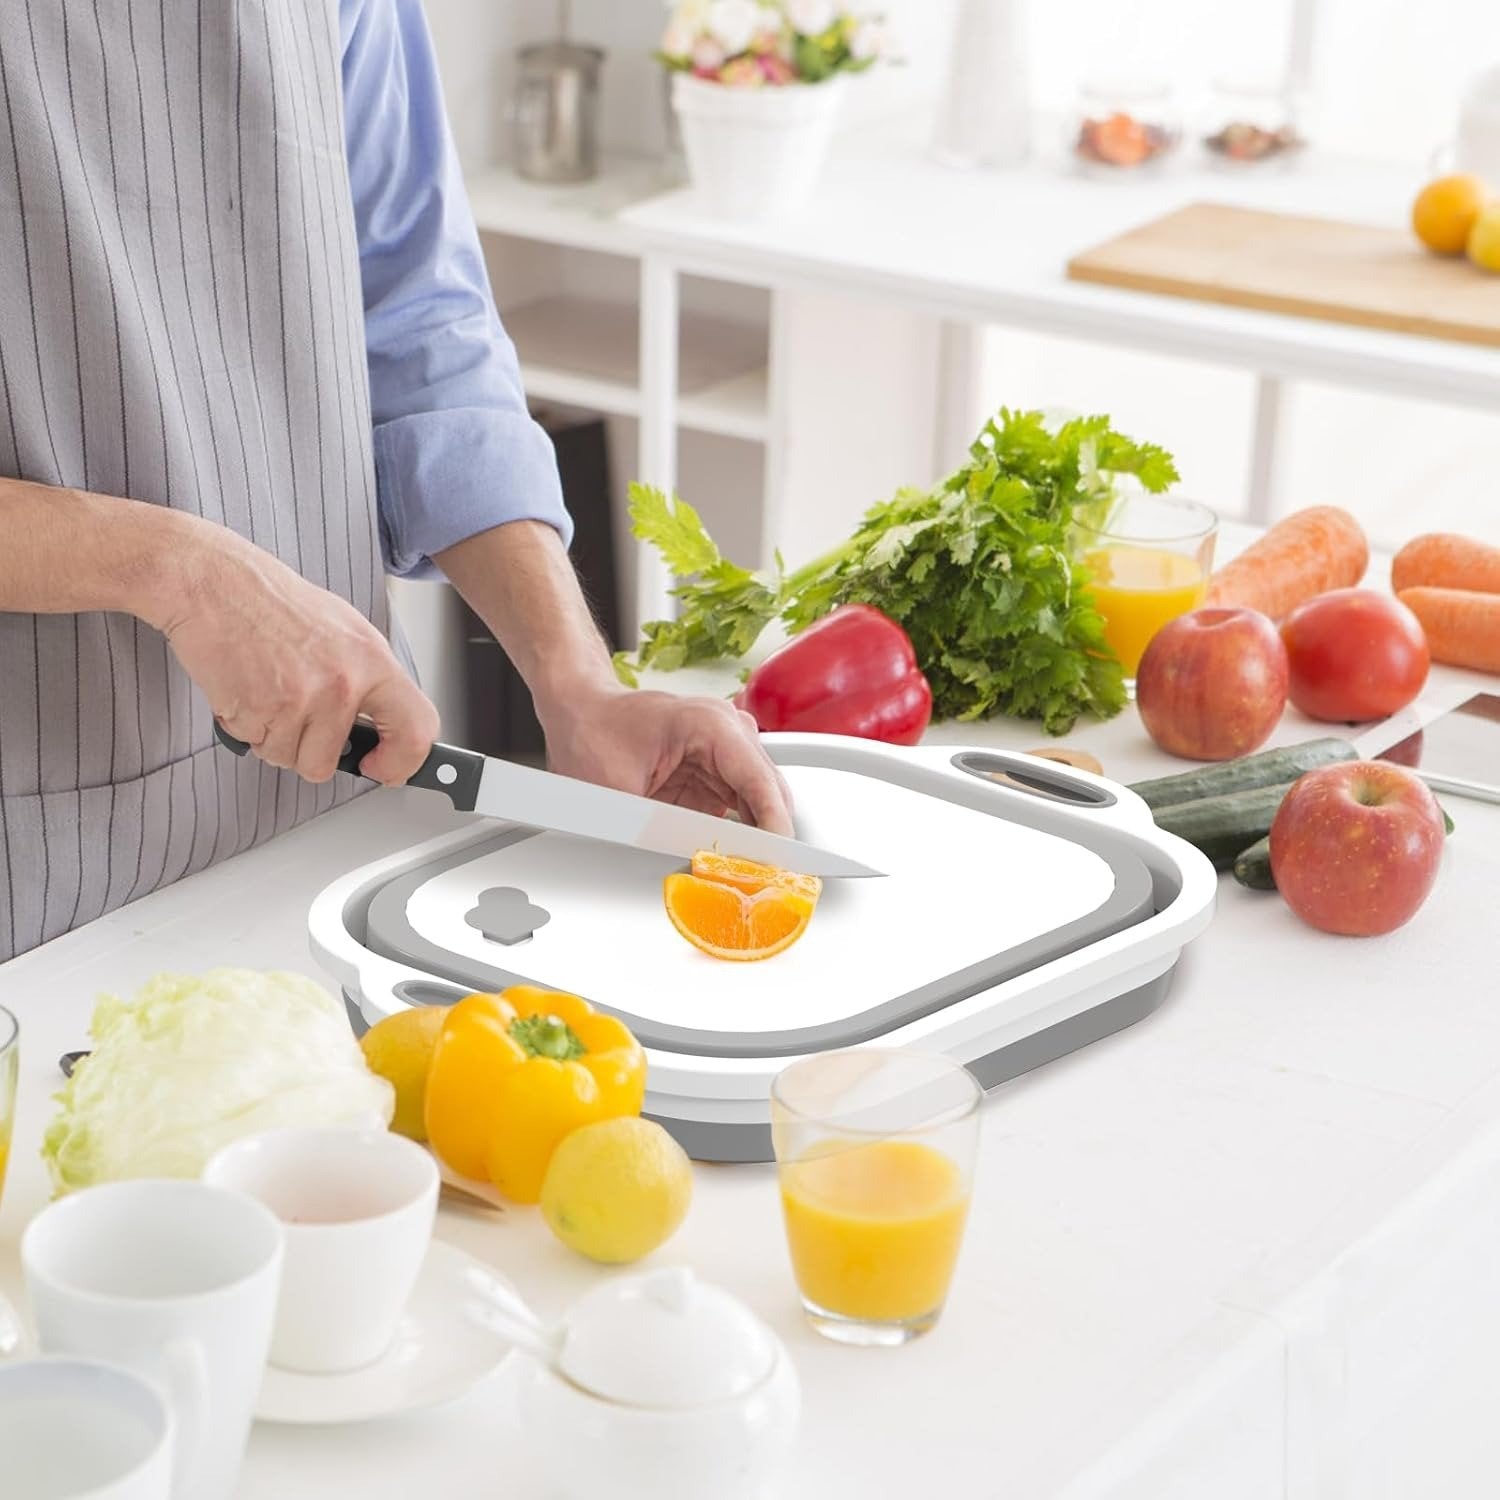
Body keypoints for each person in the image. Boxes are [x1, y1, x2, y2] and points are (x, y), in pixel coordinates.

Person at [0, 0, 792, 963]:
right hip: (40, 866)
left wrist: (576, 685)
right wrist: (177, 571)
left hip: (350, 809)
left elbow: (418, 316)